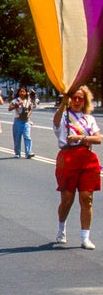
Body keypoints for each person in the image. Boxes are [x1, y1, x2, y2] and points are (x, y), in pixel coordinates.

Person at [53, 86, 101, 249]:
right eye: (74, 98)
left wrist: (81, 137)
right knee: (67, 199)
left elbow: (98, 138)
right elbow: (56, 121)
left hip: (87, 159)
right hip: (67, 158)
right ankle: (61, 228)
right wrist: (62, 103)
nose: (77, 101)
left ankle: (85, 237)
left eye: (81, 98)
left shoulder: (89, 119)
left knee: (87, 198)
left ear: (85, 101)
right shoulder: (64, 116)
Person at [9, 85, 35, 158]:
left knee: (27, 136)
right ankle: (17, 152)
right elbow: (9, 108)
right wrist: (16, 106)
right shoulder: (15, 101)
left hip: (26, 121)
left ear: (26, 93)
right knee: (17, 137)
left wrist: (28, 116)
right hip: (18, 120)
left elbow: (30, 110)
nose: (22, 93)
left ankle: (28, 152)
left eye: (23, 91)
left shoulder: (27, 101)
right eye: (20, 91)